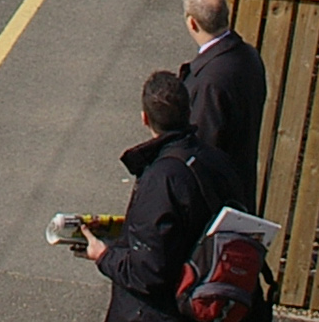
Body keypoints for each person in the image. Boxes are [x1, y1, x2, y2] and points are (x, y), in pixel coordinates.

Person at [84, 69, 235, 321]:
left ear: (145, 118)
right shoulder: (216, 160)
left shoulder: (161, 179)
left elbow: (147, 273)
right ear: (188, 112)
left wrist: (104, 255)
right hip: (208, 298)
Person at [180, 0, 270, 211]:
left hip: (215, 203)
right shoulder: (249, 56)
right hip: (241, 189)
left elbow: (201, 147)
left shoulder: (209, 79)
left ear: (192, 22)